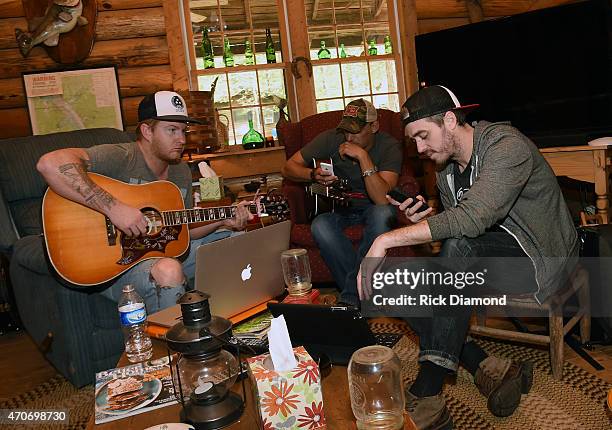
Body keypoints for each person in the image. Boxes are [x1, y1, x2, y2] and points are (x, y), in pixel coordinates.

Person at [358, 85, 579, 429]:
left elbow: (470, 220)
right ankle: (487, 367)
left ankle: (428, 391)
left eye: (423, 136)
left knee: (457, 249)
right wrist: (428, 223)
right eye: (413, 141)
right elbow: (455, 238)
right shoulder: (446, 169)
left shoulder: (506, 146)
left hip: (542, 258)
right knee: (394, 282)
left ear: (448, 120)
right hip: (487, 257)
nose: (419, 149)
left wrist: (384, 240)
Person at [37, 90, 253, 314]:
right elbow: (50, 164)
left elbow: (182, 230)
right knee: (168, 269)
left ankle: (233, 323)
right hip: (113, 268)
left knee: (236, 242)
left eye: (183, 131)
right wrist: (114, 209)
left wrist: (222, 222)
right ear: (147, 131)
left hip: (159, 252)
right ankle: (174, 347)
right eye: (171, 130)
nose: (181, 139)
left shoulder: (180, 171)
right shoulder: (122, 157)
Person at [281, 99, 403, 306]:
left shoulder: (390, 146)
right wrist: (312, 174)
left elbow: (381, 199)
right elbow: (288, 168)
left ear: (374, 126)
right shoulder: (331, 139)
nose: (348, 137)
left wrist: (363, 157)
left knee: (383, 214)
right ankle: (364, 295)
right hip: (340, 207)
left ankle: (350, 300)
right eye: (346, 130)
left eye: (355, 131)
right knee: (320, 225)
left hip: (374, 206)